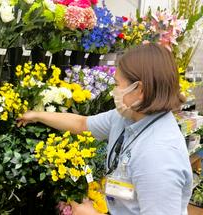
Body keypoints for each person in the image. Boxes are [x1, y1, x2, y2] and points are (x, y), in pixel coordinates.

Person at [17, 43, 193, 215]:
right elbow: (82, 124)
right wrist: (37, 115)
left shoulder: (158, 156)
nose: (113, 91)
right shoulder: (129, 116)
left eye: (117, 84)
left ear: (139, 89)